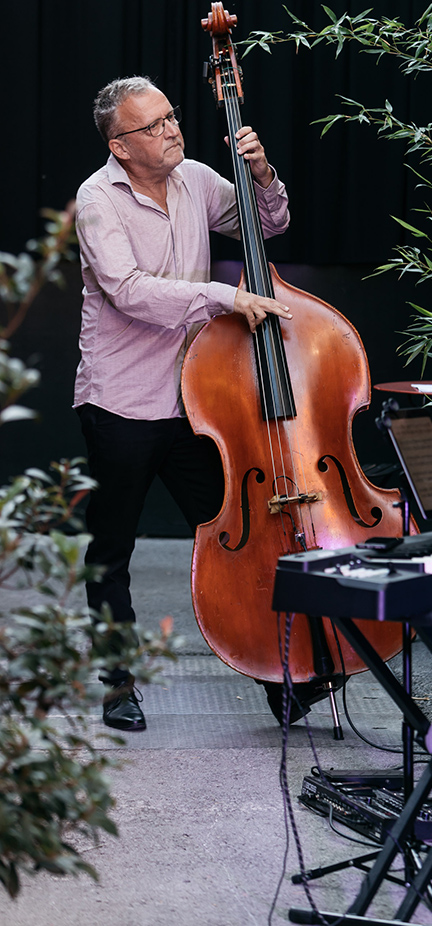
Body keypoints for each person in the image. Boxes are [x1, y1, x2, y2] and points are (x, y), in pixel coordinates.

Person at [74, 76, 292, 731]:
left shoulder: (197, 179)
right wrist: (226, 298)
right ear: (120, 145)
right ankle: (117, 684)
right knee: (112, 549)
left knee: (236, 541)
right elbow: (129, 290)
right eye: (153, 125)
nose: (172, 129)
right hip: (120, 401)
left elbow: (267, 226)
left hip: (195, 401)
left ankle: (277, 673)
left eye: (170, 116)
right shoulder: (96, 199)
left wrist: (262, 174)